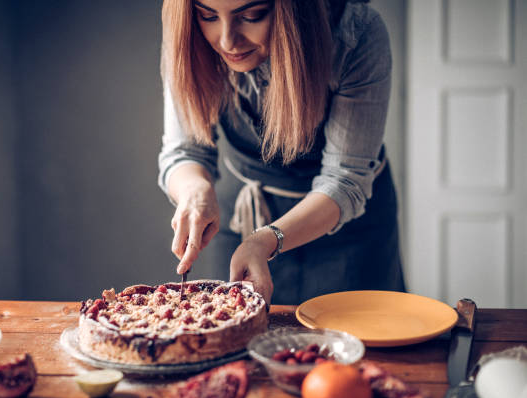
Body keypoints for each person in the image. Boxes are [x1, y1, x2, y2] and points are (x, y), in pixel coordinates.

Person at [158, 0, 405, 306]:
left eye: (251, 16)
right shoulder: (188, 34)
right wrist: (194, 191)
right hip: (243, 217)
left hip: (349, 230)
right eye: (208, 16)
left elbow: (345, 179)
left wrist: (266, 240)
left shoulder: (355, 34)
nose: (226, 41)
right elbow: (185, 150)